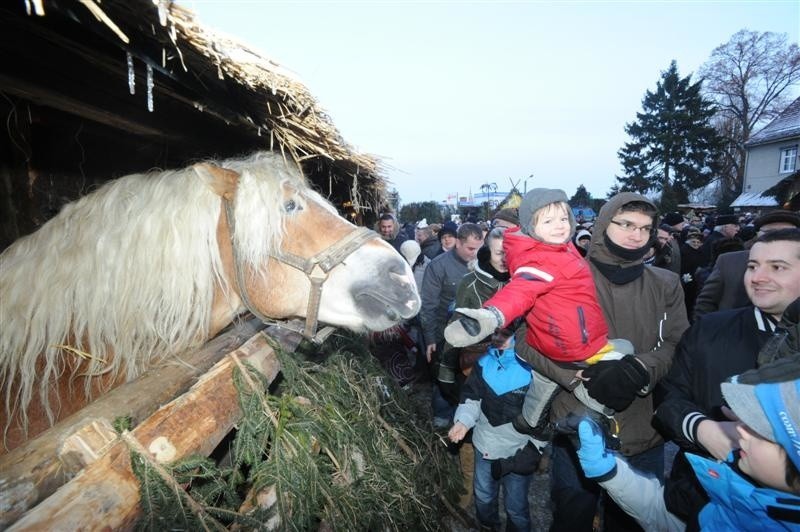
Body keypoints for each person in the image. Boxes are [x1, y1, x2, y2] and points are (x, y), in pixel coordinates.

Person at [516, 192, 689, 531]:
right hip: (577, 424)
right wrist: (576, 375)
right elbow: (525, 341)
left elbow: (678, 342)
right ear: (603, 224)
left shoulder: (665, 283)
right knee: (572, 515)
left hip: (643, 430)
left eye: (645, 227)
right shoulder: (560, 275)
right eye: (625, 224)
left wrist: (640, 369)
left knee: (633, 522)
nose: (636, 234)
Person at [445, 189, 635, 440]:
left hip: (544, 340)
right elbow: (519, 292)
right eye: (548, 221)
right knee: (624, 352)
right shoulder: (540, 261)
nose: (559, 226)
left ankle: (529, 420)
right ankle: (597, 410)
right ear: (530, 226)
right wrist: (490, 316)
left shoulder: (556, 247)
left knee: (544, 382)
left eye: (563, 218)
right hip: (577, 344)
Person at [654, 228, 800, 528]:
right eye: (752, 266)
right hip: (702, 498)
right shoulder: (709, 330)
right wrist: (703, 430)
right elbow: (668, 397)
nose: (757, 277)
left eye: (777, 267)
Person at [571, 373, 800, 531]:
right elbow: (669, 519)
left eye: (763, 432)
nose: (741, 431)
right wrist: (609, 470)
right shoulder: (736, 487)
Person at [448, 328, 541, 532]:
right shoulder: (483, 364)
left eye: (505, 333)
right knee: (483, 494)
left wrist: (536, 448)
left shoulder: (535, 370)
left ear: (520, 333)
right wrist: (463, 421)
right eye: (496, 332)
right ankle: (488, 526)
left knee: (515, 506)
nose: (498, 338)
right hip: (485, 445)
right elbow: (471, 398)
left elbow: (545, 415)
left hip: (518, 450)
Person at [419, 222, 484, 427]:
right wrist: (430, 338)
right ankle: (441, 417)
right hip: (444, 333)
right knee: (444, 376)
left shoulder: (484, 264)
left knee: (471, 377)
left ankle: (467, 417)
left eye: (479, 248)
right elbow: (428, 305)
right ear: (458, 243)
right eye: (471, 249)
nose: (475, 254)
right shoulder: (438, 266)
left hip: (477, 335)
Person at [693, 210, 800, 320]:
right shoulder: (729, 261)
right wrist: (709, 332)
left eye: (786, 233)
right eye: (770, 233)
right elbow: (705, 302)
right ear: (758, 234)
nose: (778, 239)